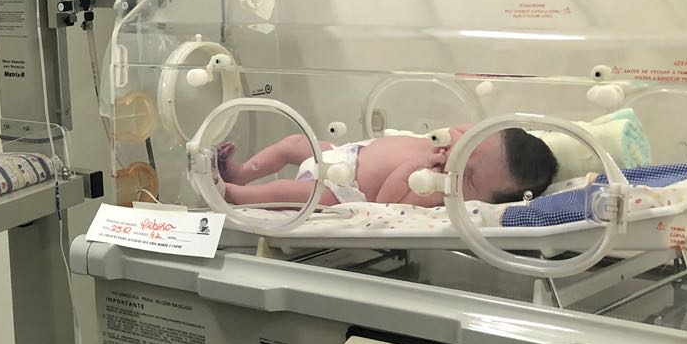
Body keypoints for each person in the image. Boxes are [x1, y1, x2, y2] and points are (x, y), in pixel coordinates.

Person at [219, 126, 559, 207]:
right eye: (470, 147)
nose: (458, 159)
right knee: (294, 143)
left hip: (341, 189)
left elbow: (386, 201)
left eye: (468, 177)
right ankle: (242, 172)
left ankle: (233, 193)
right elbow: (464, 130)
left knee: (289, 193)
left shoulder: (435, 189)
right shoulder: (450, 141)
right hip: (341, 153)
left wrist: (416, 166)